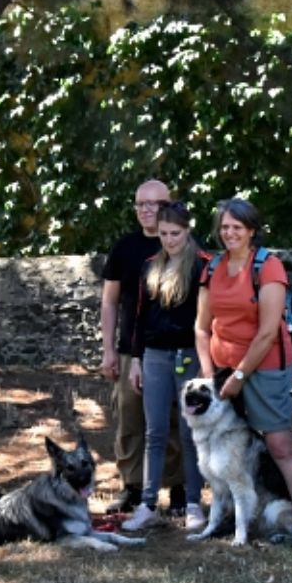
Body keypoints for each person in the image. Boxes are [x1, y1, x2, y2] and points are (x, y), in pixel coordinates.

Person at [195, 196, 292, 547]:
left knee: (279, 446)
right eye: (224, 227)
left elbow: (267, 333)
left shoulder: (268, 266)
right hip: (222, 370)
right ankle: (232, 516)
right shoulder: (212, 268)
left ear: (251, 230)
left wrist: (239, 376)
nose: (230, 233)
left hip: (265, 367)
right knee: (224, 444)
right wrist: (210, 377)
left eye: (237, 227)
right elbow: (201, 328)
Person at [121, 200, 209, 533]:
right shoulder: (150, 266)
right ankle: (147, 504)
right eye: (163, 234)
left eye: (175, 233)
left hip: (189, 354)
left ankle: (193, 503)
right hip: (155, 355)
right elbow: (139, 317)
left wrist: (206, 364)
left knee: (189, 432)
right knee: (154, 431)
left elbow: (209, 319)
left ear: (187, 231)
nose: (169, 240)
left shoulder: (203, 265)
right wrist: (136, 360)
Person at [99, 178, 184, 513]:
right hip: (129, 348)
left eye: (155, 204)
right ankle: (133, 488)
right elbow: (109, 301)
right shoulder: (124, 248)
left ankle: (178, 489)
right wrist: (108, 350)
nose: (147, 210)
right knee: (130, 419)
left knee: (175, 418)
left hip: (176, 348)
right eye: (141, 204)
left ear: (169, 206)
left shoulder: (183, 246)